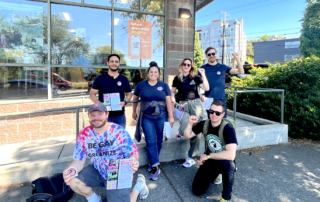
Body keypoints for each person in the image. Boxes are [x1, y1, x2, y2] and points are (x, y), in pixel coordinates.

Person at [63, 103, 149, 202]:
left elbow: (133, 154)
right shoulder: (84, 134)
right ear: (89, 117)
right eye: (92, 115)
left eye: (100, 114)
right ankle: (95, 200)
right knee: (73, 180)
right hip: (98, 169)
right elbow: (78, 161)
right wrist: (70, 171)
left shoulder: (118, 131)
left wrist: (133, 161)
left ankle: (139, 186)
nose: (96, 118)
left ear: (107, 114)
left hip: (116, 171)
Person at [184, 100, 237, 202]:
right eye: (211, 111)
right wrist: (190, 123)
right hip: (210, 160)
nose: (213, 115)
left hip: (223, 159)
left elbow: (231, 155)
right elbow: (187, 135)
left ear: (223, 114)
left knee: (229, 165)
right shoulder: (205, 124)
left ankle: (226, 197)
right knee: (197, 190)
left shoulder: (228, 128)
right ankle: (215, 174)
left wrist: (208, 156)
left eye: (217, 113)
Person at [132, 61, 174, 181]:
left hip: (161, 117)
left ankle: (152, 162)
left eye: (156, 72)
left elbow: (168, 102)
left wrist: (171, 117)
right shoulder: (141, 85)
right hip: (147, 118)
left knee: (159, 140)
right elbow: (135, 100)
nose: (153, 74)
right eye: (151, 72)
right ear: (148, 73)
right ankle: (155, 166)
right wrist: (134, 112)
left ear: (158, 74)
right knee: (151, 141)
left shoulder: (164, 85)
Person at [170, 58, 209, 168]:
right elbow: (172, 91)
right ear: (181, 65)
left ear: (191, 67)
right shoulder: (177, 78)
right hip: (183, 104)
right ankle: (180, 131)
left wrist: (203, 74)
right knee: (184, 128)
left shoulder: (195, 77)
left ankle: (191, 157)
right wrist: (172, 98)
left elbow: (206, 88)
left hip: (196, 104)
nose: (186, 66)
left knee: (196, 130)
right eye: (184, 64)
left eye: (189, 65)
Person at [90, 54, 132, 128]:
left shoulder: (124, 79)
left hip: (120, 116)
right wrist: (100, 104)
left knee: (119, 138)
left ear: (119, 64)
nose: (114, 64)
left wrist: (125, 102)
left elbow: (129, 94)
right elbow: (92, 94)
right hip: (104, 116)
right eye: (112, 61)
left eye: (116, 62)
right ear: (108, 63)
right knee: (104, 138)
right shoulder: (100, 78)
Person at [200, 47, 244, 118]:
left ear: (216, 54)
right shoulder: (203, 68)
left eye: (213, 53)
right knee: (211, 121)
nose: (211, 56)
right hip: (208, 100)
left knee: (222, 121)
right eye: (209, 54)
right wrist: (200, 94)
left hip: (221, 99)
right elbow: (196, 82)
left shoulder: (222, 67)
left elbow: (241, 72)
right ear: (206, 56)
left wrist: (237, 59)